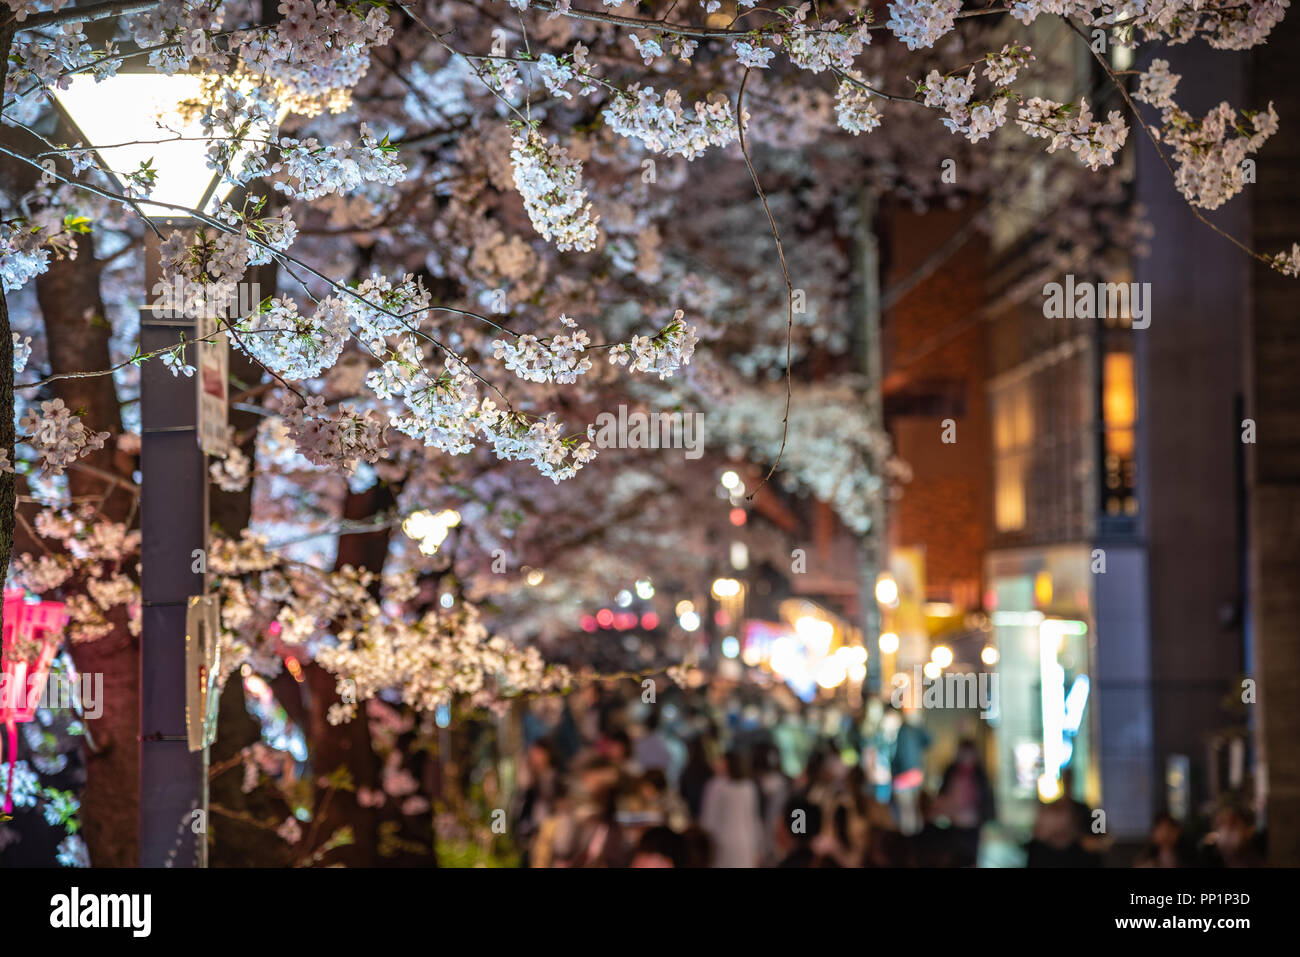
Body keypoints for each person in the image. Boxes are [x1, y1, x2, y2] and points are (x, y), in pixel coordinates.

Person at [698, 750, 764, 867]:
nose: (715, 763)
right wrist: (757, 847)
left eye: (720, 760)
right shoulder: (748, 786)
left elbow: (708, 818)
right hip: (745, 842)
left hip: (719, 842)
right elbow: (753, 820)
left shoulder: (715, 786)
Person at [936, 738, 995, 866]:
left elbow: (986, 798)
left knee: (971, 857)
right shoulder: (951, 771)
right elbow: (942, 794)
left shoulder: (979, 774)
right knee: (954, 856)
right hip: (954, 822)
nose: (966, 757)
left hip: (973, 823)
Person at [678, 735, 713, 820]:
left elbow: (683, 793)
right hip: (707, 808)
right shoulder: (709, 770)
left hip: (693, 809)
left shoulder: (688, 770)